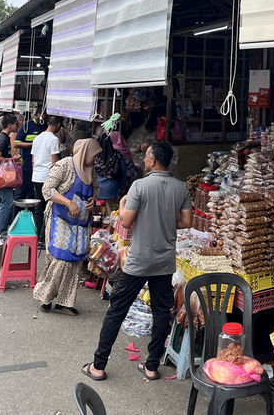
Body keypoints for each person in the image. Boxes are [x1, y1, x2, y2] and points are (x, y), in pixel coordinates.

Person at [83, 141, 192, 381]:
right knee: (162, 311)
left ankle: (98, 365)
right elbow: (186, 223)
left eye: (146, 156)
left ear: (153, 160)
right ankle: (152, 366)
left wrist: (122, 205)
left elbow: (127, 221)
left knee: (117, 309)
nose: (143, 159)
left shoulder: (139, 186)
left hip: (140, 259)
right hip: (164, 261)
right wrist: (163, 221)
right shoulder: (181, 188)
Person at [33, 137, 102, 315]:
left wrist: (93, 201)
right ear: (85, 152)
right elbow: (47, 190)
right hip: (60, 219)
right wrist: (68, 203)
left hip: (81, 222)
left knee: (75, 261)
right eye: (94, 155)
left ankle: (65, 302)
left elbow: (95, 189)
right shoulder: (64, 165)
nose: (95, 159)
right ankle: (46, 297)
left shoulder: (90, 170)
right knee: (61, 258)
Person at [31, 115, 62, 243]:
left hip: (36, 176)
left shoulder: (37, 138)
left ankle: (37, 237)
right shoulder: (54, 139)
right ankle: (44, 237)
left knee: (39, 208)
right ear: (58, 125)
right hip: (47, 177)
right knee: (48, 208)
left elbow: (33, 160)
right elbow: (54, 162)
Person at [14, 110, 45, 200]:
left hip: (40, 162)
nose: (44, 119)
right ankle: (18, 212)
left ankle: (31, 211)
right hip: (27, 161)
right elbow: (16, 143)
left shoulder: (45, 127)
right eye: (43, 116)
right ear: (36, 115)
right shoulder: (27, 126)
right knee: (23, 189)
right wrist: (33, 144)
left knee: (33, 191)